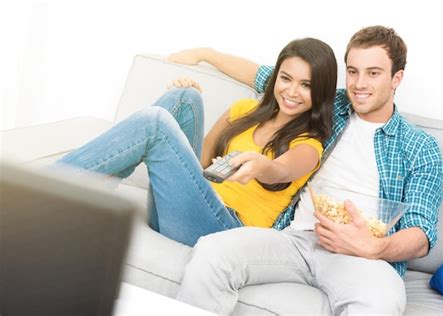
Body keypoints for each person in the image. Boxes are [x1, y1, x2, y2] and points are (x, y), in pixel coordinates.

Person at [167, 25, 443, 314]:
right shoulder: (328, 104)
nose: (359, 84)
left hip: (364, 258)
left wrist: (374, 248)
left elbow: (421, 234)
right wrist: (205, 54)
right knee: (212, 252)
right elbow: (269, 76)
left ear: (396, 78)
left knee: (379, 304)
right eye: (353, 71)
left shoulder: (419, 147)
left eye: (373, 73)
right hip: (293, 239)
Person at [56, 38, 338, 247]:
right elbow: (199, 163)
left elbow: (282, 170)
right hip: (192, 205)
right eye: (286, 79)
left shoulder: (308, 145)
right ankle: (80, 187)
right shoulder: (244, 111)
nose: (291, 91)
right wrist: (203, 58)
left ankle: (51, 185)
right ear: (275, 78)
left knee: (155, 122)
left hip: (224, 228)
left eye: (306, 85)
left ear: (320, 92)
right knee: (185, 98)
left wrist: (261, 165)